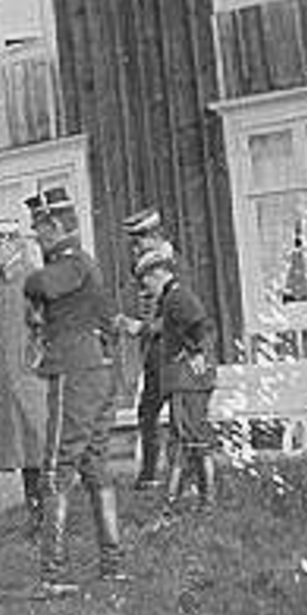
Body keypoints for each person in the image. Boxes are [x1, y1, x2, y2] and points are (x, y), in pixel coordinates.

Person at [23, 186, 127, 600]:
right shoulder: (85, 264)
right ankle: (112, 563)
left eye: (39, 229)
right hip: (98, 371)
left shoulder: (73, 263)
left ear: (54, 226)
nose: (36, 236)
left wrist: (31, 278)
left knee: (56, 468)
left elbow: (41, 285)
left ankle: (52, 573)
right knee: (95, 464)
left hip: (76, 372)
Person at [0, 216, 48, 540]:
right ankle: (35, 517)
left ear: (15, 243)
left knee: (42, 448)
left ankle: (52, 520)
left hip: (32, 382)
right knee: (23, 452)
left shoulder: (33, 280)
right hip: (6, 383)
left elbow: (47, 326)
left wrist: (37, 361)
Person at [129, 247, 218, 513]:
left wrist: (197, 353)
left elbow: (201, 326)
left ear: (157, 274)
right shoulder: (174, 296)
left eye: (145, 281)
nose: (145, 288)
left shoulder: (176, 297)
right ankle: (203, 501)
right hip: (189, 379)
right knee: (193, 438)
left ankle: (173, 504)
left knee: (183, 440)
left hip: (185, 379)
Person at [119, 207, 179, 491]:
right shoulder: (143, 267)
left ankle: (182, 476)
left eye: (139, 240)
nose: (135, 248)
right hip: (154, 354)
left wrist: (143, 328)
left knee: (180, 417)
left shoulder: (174, 265)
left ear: (155, 236)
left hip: (177, 352)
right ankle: (150, 473)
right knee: (147, 412)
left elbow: (178, 314)